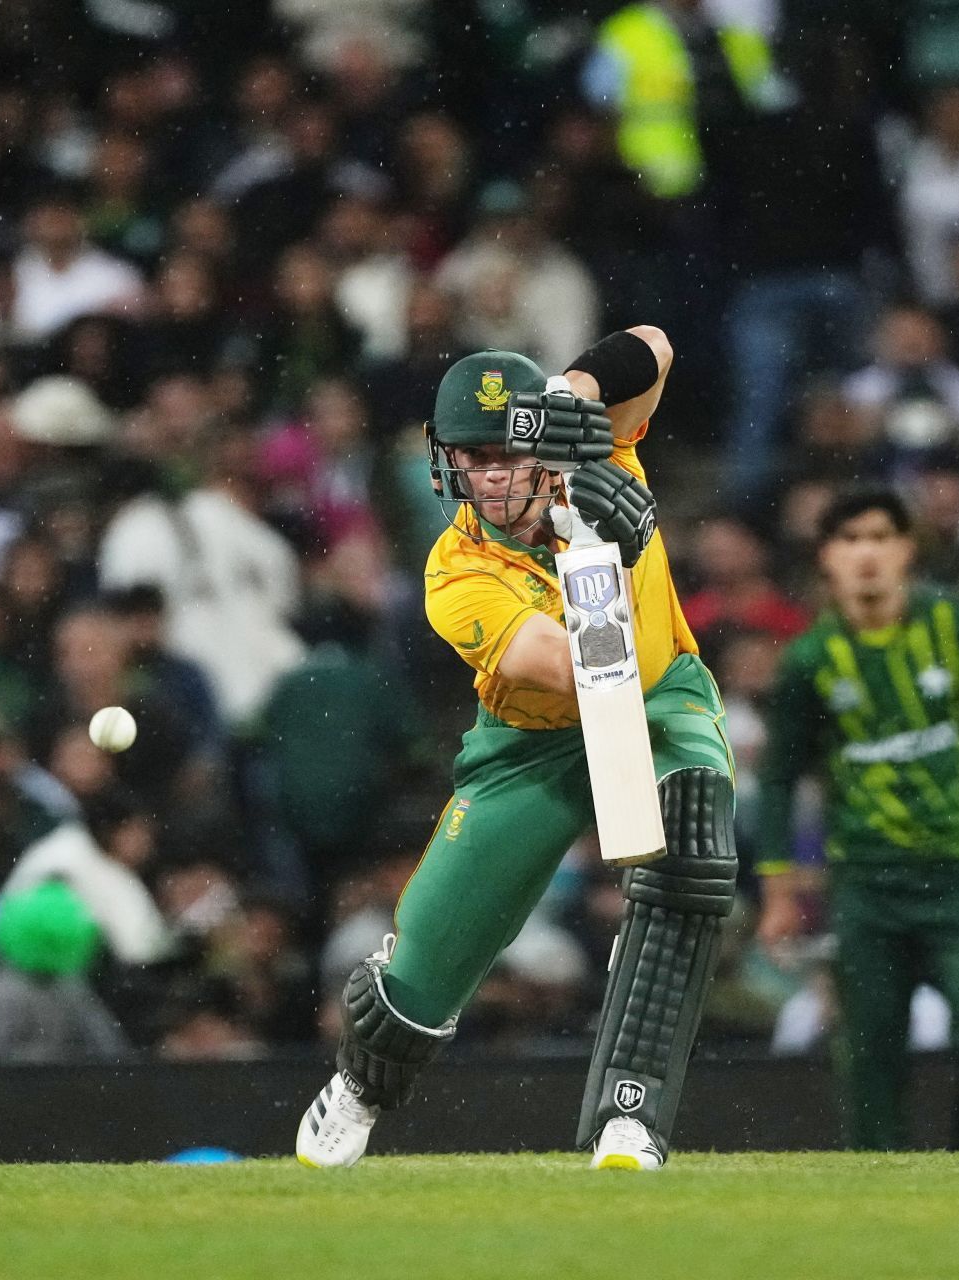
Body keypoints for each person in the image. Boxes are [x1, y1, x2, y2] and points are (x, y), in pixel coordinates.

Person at [296, 327, 739, 1171]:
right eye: (474, 459)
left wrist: (574, 391)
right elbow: (575, 674)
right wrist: (608, 544)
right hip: (531, 740)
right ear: (446, 462)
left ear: (541, 437)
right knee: (424, 969)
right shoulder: (453, 571)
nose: (493, 477)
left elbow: (657, 345)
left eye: (508, 452)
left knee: (689, 855)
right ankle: (360, 1082)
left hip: (659, 700)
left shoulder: (601, 446)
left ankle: (630, 1117)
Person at [753, 490, 959, 1150]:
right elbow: (780, 779)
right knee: (872, 1051)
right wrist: (780, 890)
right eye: (849, 540)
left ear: (907, 549)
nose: (867, 553)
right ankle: (877, 1191)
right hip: (867, 882)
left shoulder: (955, 626)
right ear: (827, 557)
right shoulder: (810, 660)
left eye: (880, 537)